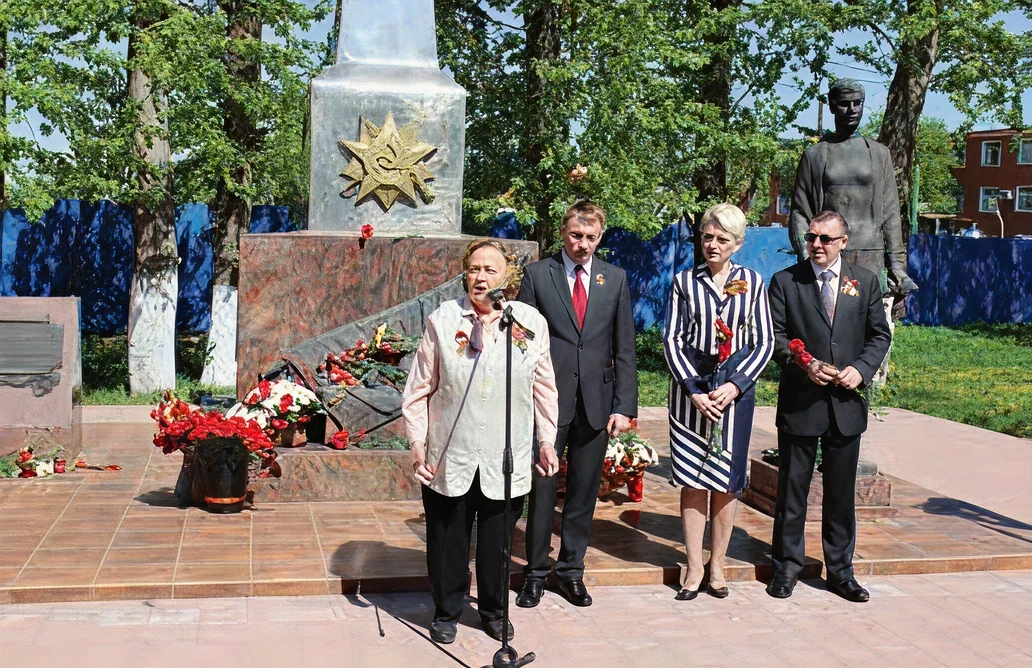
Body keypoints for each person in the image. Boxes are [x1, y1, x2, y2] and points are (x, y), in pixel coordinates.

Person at [401, 239, 560, 645]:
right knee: (448, 542)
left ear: (507, 277)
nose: (481, 276)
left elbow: (544, 388)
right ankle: (447, 610)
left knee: (497, 546)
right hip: (450, 454)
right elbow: (419, 389)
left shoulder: (527, 323)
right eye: (474, 269)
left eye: (490, 269)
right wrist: (418, 443)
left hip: (504, 457)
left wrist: (547, 440)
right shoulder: (444, 319)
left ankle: (493, 612)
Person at [515, 200, 637, 609]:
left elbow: (624, 348)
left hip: (597, 404)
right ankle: (533, 574)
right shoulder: (537, 276)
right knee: (543, 491)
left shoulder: (615, 279)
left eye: (591, 237)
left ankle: (570, 572)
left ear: (600, 237)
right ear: (563, 234)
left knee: (584, 494)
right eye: (575, 236)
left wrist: (624, 405)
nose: (582, 244)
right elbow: (521, 342)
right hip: (548, 403)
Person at [766, 210, 892, 603]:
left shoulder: (865, 281)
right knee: (792, 491)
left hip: (846, 403)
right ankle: (786, 567)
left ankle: (840, 572)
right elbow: (776, 337)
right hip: (802, 401)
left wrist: (861, 369)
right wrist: (806, 364)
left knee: (840, 494)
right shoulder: (786, 281)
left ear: (843, 242)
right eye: (811, 237)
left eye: (825, 238)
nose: (816, 244)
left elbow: (878, 335)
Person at [663, 203, 774, 600]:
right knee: (693, 480)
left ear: (738, 244)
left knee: (726, 484)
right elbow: (672, 339)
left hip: (733, 393)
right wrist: (693, 389)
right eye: (707, 236)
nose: (712, 244)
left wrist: (736, 386)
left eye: (722, 239)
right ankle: (693, 567)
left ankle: (718, 565)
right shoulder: (683, 282)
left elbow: (764, 342)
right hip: (690, 392)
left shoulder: (754, 282)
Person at [789, 77, 918, 301]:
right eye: (844, 104)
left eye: (857, 103)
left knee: (872, 328)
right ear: (831, 106)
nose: (852, 110)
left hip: (871, 256)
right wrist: (806, 256)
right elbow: (800, 212)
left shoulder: (878, 153)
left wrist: (897, 265)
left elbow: (890, 213)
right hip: (829, 255)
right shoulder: (815, 155)